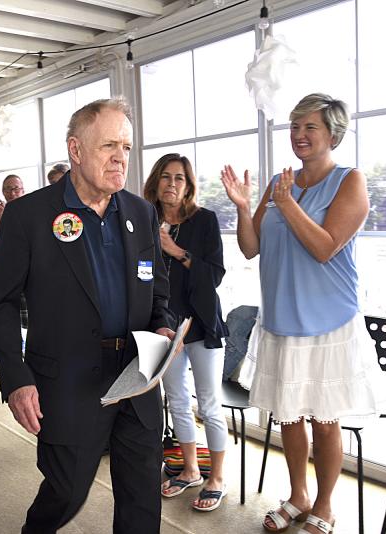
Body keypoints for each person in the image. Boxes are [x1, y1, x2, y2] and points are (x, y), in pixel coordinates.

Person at [0, 98, 176, 533]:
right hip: (67, 381)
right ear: (76, 149)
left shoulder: (141, 213)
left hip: (136, 377)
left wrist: (163, 324)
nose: (120, 158)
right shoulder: (29, 216)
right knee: (66, 492)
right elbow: (1, 304)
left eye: (126, 147)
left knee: (142, 498)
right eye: (109, 145)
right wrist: (16, 376)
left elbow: (157, 289)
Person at [221, 93, 382, 534]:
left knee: (324, 420)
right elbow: (251, 247)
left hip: (328, 321)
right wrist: (241, 204)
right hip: (280, 320)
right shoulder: (279, 181)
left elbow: (326, 247)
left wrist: (287, 203)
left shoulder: (350, 180)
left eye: (309, 127)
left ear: (333, 133)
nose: (299, 135)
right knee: (288, 416)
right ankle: (298, 496)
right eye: (294, 127)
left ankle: (325, 504)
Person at [144, 153, 229, 511]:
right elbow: (142, 276)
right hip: (165, 326)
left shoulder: (204, 220)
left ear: (189, 185)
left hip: (203, 322)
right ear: (156, 183)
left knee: (209, 403)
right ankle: (191, 469)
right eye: (165, 177)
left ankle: (217, 477)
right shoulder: (144, 221)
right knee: (176, 400)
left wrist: (176, 251)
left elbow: (215, 275)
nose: (172, 184)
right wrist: (158, 323)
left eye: (179, 178)